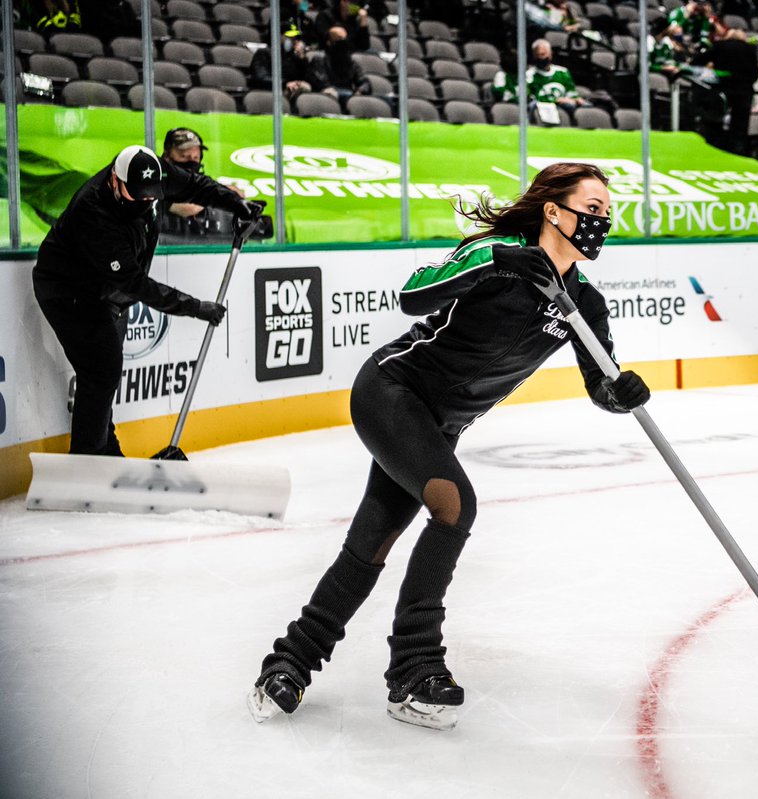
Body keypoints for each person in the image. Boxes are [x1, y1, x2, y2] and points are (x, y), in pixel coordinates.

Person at [247, 162, 650, 730]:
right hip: (392, 392)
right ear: (553, 211)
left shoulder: (584, 303)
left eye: (607, 213)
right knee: (456, 506)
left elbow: (600, 385)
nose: (601, 221)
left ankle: (288, 664)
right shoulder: (497, 256)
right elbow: (412, 296)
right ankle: (415, 667)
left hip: (437, 427)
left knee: (369, 545)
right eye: (591, 209)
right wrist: (497, 259)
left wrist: (621, 393)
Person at [32, 145, 258, 456]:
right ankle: (88, 457)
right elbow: (135, 284)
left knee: (104, 374)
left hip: (109, 291)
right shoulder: (93, 213)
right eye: (137, 196)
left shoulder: (154, 173)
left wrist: (235, 203)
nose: (146, 202)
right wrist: (195, 307)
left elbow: (195, 186)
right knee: (101, 370)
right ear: (115, 180)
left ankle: (106, 452)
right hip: (68, 290)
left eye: (152, 196)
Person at [707, 27, 758, 155]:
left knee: (716, 120)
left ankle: (714, 148)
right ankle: (737, 152)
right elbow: (755, 73)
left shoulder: (720, 46)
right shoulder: (750, 49)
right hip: (744, 91)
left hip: (723, 89)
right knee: (739, 127)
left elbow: (699, 61)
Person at [306, 25, 371, 110]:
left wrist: (360, 91)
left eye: (345, 39)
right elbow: (322, 83)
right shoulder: (320, 59)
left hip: (349, 95)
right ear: (329, 42)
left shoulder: (351, 61)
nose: (343, 42)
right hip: (327, 94)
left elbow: (364, 82)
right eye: (339, 39)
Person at [249, 30, 312, 101]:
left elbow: (306, 79)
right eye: (290, 38)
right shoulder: (264, 53)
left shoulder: (294, 57)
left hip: (288, 90)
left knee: (306, 88)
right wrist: (285, 83)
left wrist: (302, 59)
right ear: (279, 37)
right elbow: (261, 78)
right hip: (268, 91)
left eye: (295, 38)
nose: (294, 41)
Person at [527, 39, 588, 113]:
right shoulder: (529, 75)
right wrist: (557, 100)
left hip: (565, 107)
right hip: (543, 109)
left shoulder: (562, 72)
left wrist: (576, 99)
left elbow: (571, 92)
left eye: (543, 54)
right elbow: (532, 98)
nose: (540, 58)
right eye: (537, 55)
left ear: (550, 54)